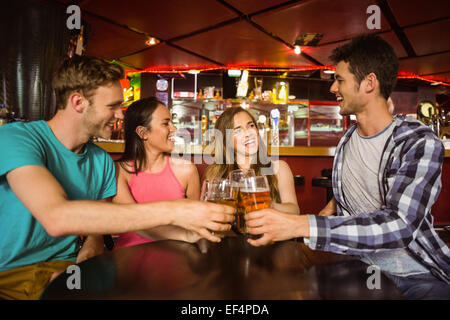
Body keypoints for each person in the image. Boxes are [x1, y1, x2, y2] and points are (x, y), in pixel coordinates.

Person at [0, 55, 234, 300]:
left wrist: (82, 264)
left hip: (65, 270)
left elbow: (96, 233)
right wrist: (177, 210)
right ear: (78, 102)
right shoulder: (17, 138)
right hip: (10, 274)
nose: (121, 115)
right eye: (112, 106)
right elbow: (56, 217)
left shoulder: (100, 160)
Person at [244, 34, 450, 299]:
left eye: (339, 80)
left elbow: (399, 225)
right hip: (357, 268)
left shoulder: (418, 142)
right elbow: (347, 200)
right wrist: (314, 219)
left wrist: (301, 225)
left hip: (415, 274)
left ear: (369, 83)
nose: (332, 88)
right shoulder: (347, 141)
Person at [112, 97, 200, 248]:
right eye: (166, 123)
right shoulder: (118, 171)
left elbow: (196, 223)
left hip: (178, 257)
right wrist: (186, 235)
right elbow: (135, 221)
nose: (174, 129)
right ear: (143, 132)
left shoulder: (187, 170)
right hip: (129, 258)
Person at [204, 106, 299, 215]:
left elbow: (294, 210)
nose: (248, 133)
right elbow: (207, 213)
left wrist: (269, 204)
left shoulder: (279, 167)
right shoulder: (216, 172)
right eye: (238, 130)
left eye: (251, 126)